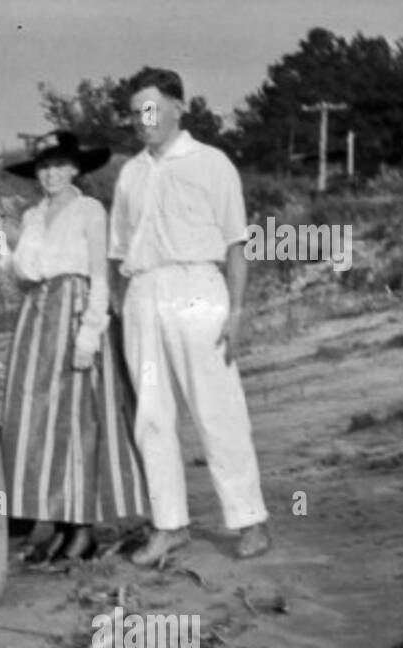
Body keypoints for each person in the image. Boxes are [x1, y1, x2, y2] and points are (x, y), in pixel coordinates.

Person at [109, 67, 271, 563]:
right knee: (152, 417)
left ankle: (249, 520)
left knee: (217, 410)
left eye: (153, 109)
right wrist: (122, 307)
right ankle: (169, 524)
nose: (144, 120)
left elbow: (236, 244)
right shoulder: (131, 173)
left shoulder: (212, 163)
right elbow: (117, 252)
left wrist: (238, 310)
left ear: (180, 107)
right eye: (136, 113)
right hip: (143, 293)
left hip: (198, 288)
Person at [0, 130, 149, 569]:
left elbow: (100, 276)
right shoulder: (31, 216)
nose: (51, 174)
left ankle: (82, 526)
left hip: (76, 312)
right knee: (38, 423)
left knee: (77, 420)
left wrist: (89, 333)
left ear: (75, 168)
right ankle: (59, 524)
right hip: (36, 319)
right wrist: (2, 250)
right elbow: (23, 276)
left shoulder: (89, 210)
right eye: (44, 166)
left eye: (60, 165)